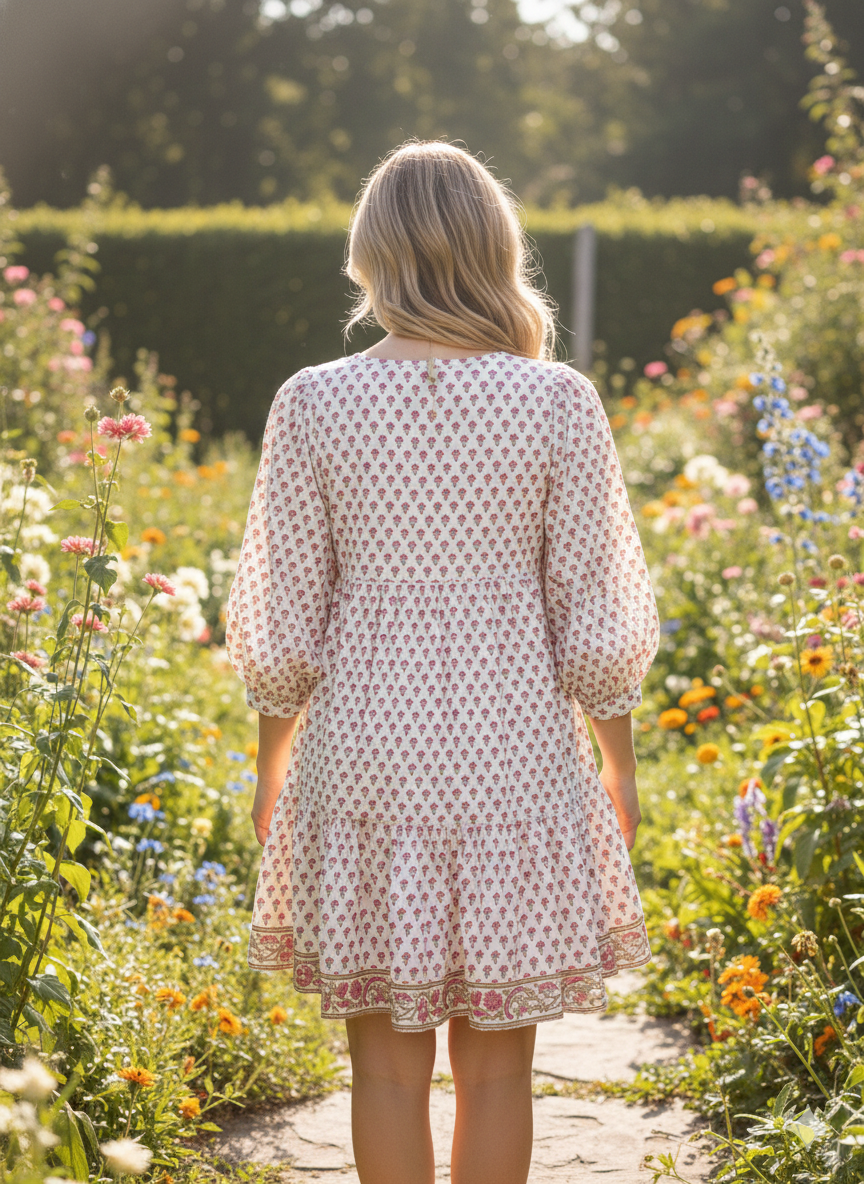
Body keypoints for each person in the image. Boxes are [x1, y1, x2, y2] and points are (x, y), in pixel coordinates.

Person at [224, 140, 660, 1184]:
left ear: (370, 256)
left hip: (365, 756)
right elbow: (594, 616)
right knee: (502, 1072)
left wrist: (268, 760)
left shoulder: (313, 401)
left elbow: (281, 619)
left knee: (380, 1070)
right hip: (514, 760)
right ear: (494, 250)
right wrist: (621, 758)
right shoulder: (558, 402)